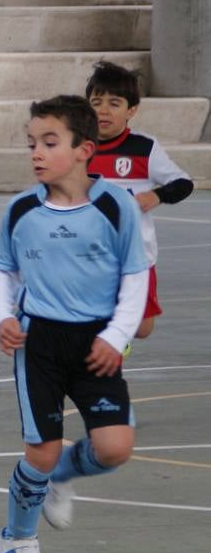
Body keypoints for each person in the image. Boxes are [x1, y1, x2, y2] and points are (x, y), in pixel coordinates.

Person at [0, 95, 148, 553]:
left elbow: (135, 276)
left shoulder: (116, 205)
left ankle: (60, 476)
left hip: (97, 343)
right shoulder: (20, 211)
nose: (36, 152)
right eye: (31, 142)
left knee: (114, 448)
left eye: (49, 142)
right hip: (39, 344)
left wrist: (117, 335)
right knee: (41, 449)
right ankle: (17, 539)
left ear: (84, 149)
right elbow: (2, 272)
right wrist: (1, 318)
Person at [85, 61, 194, 344]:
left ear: (131, 110)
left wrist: (156, 195)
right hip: (88, 252)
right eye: (96, 102)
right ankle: (101, 344)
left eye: (114, 103)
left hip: (136, 253)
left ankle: (111, 336)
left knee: (143, 328)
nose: (103, 110)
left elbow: (183, 183)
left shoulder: (144, 148)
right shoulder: (78, 147)